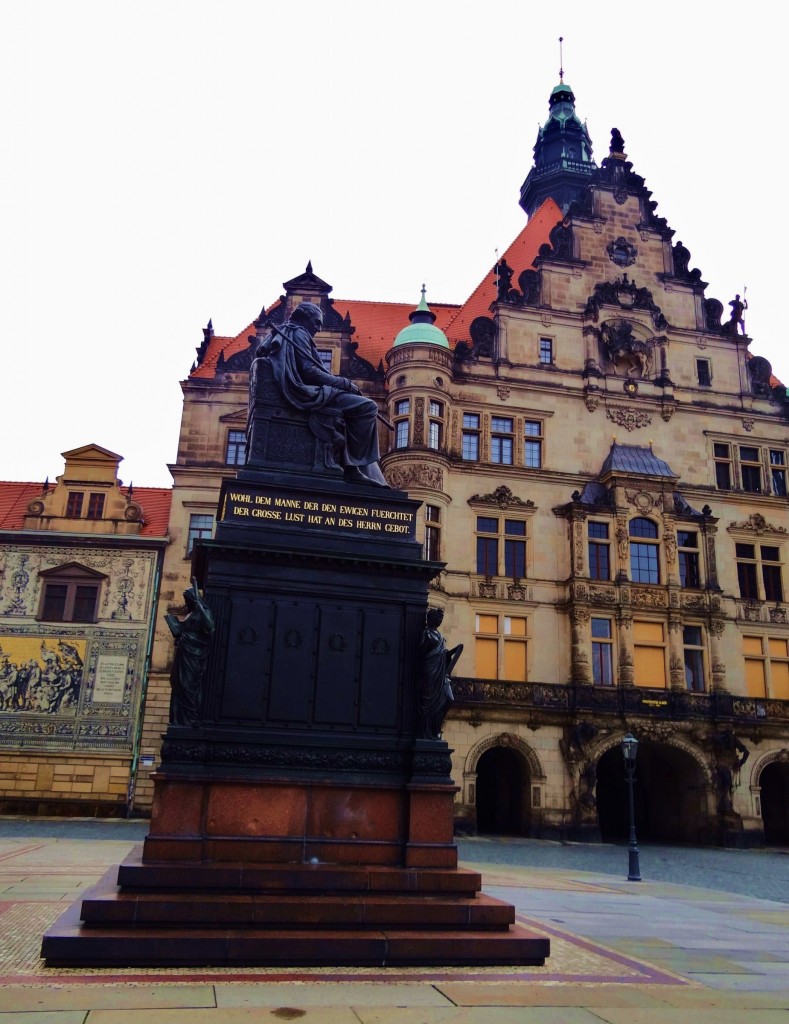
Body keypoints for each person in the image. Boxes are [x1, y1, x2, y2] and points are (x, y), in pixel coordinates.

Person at [257, 301, 388, 487]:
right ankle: (354, 467)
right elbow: (309, 371)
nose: (318, 328)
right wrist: (343, 383)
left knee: (354, 409)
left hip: (303, 388)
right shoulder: (299, 332)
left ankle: (350, 464)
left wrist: (340, 384)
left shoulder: (287, 331)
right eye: (316, 322)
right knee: (368, 407)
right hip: (303, 391)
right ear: (304, 318)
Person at [165, 577, 215, 727]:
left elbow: (210, 627)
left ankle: (190, 719)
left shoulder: (203, 611)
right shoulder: (191, 613)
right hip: (184, 651)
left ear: (193, 599)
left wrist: (200, 607)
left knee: (188, 686)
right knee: (177, 683)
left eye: (187, 600)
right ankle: (179, 719)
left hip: (193, 653)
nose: (185, 603)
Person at [416, 608, 463, 740]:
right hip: (429, 672)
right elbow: (421, 653)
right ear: (431, 619)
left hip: (440, 673)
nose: (440, 621)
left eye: (441, 619)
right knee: (427, 702)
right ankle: (426, 733)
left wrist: (455, 650)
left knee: (448, 699)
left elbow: (443, 655)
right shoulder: (426, 634)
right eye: (438, 618)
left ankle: (435, 729)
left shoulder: (440, 636)